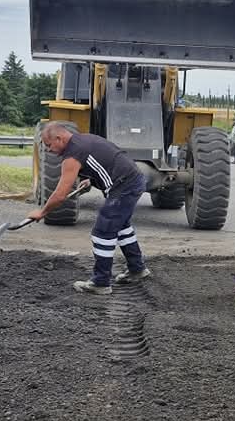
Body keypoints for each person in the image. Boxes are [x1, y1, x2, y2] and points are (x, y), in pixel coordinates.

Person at [28, 123, 149, 294]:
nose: (48, 150)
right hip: (132, 179)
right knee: (121, 226)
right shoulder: (82, 141)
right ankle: (137, 269)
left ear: (59, 138)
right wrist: (92, 179)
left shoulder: (72, 155)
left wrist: (42, 212)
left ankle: (101, 283)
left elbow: (61, 194)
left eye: (49, 145)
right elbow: (106, 159)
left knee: (102, 231)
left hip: (125, 186)